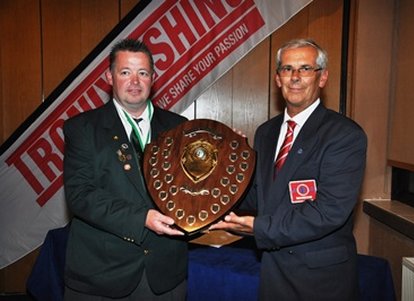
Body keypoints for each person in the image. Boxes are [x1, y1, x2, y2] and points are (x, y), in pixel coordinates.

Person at [210, 38, 367, 300]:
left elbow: (328, 212)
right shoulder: (266, 132)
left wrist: (259, 229)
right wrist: (226, 166)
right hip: (274, 274)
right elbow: (257, 195)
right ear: (277, 78)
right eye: (287, 69)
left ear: (323, 77)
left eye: (305, 69)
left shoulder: (344, 135)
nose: (295, 77)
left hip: (321, 281)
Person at [63, 39, 188, 300]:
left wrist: (228, 152)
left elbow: (193, 187)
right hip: (102, 275)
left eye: (142, 73)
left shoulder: (180, 128)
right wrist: (142, 218)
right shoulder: (82, 128)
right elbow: (80, 195)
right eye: (125, 72)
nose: (135, 81)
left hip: (164, 276)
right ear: (110, 77)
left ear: (153, 78)